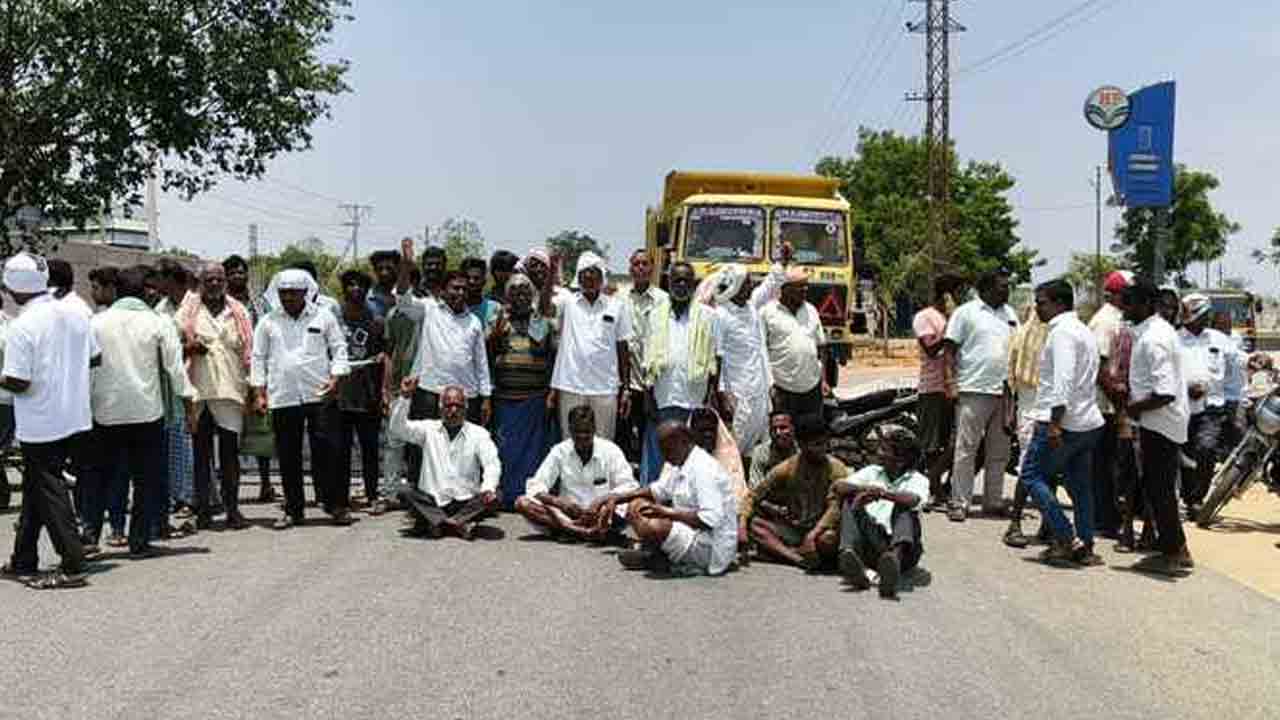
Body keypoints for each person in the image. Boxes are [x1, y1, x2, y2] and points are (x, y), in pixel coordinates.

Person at [83, 265, 195, 558]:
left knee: (99, 475)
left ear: (118, 290)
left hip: (103, 411)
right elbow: (175, 369)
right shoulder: (159, 323)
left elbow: (85, 367)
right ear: (147, 292)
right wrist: (189, 402)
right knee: (146, 479)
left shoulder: (96, 322)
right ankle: (139, 540)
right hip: (146, 412)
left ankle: (90, 535)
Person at [0, 253, 96, 589]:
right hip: (75, 414)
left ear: (12, 289)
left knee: (49, 488)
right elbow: (94, 356)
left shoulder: (22, 326)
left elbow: (18, 381)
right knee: (35, 487)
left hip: (41, 420)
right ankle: (24, 558)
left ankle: (73, 563)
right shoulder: (74, 313)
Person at [251, 268, 351, 529]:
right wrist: (259, 394)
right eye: (283, 294)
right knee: (288, 455)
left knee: (327, 450)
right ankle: (294, 510)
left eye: (294, 293)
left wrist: (336, 377)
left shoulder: (324, 316)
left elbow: (340, 349)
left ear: (306, 292)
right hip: (283, 396)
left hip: (319, 394)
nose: (288, 299)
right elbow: (258, 358)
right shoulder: (268, 322)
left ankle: (333, 505)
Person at [1016, 279, 1106, 565]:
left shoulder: (1063, 333)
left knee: (1031, 476)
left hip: (1062, 422)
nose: (1037, 308)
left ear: (1058, 303)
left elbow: (1063, 382)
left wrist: (1054, 424)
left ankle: (1068, 538)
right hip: (1087, 421)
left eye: (1041, 302)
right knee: (1080, 486)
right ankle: (1086, 543)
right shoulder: (1081, 329)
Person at [176, 262, 255, 531]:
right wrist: (189, 346)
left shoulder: (239, 311)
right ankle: (204, 513)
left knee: (230, 456)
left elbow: (250, 352)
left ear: (225, 282)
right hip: (198, 393)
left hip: (230, 392)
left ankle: (233, 510)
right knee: (201, 456)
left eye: (218, 279)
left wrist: (254, 391)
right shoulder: (188, 310)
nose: (214, 284)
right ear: (201, 282)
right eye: (208, 279)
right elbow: (172, 344)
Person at [604, 420, 738, 576]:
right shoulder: (681, 461)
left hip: (710, 545)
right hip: (691, 530)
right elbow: (657, 490)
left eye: (668, 450)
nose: (665, 457)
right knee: (636, 505)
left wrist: (665, 512)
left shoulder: (704, 469)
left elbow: (709, 520)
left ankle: (666, 559)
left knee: (655, 525)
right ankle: (657, 554)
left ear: (683, 442)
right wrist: (617, 499)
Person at [1124, 278, 1192, 576]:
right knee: (1158, 488)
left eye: (1131, 302)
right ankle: (1178, 547)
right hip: (1160, 422)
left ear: (1147, 305)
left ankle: (1173, 553)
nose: (1125, 308)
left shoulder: (1154, 338)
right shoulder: (1154, 332)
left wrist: (1133, 408)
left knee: (1160, 490)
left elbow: (1165, 392)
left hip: (1161, 424)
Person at [943, 269, 1018, 522]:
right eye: (1002, 286)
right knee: (966, 449)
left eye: (1008, 286)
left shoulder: (1010, 314)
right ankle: (959, 503)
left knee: (999, 452)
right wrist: (951, 383)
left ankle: (993, 501)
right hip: (973, 390)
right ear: (985, 289)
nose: (1006, 291)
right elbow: (950, 350)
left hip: (1005, 393)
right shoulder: (965, 313)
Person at [639, 261, 722, 485]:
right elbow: (647, 360)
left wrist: (713, 394)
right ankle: (651, 500)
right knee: (658, 453)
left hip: (694, 398)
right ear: (669, 283)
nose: (681, 285)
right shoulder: (654, 315)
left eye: (686, 280)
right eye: (677, 280)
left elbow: (717, 358)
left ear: (694, 285)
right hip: (662, 397)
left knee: (690, 457)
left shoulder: (709, 317)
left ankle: (684, 502)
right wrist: (648, 397)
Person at [389, 382, 501, 539]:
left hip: (465, 502)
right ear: (440, 408)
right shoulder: (428, 430)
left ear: (466, 408)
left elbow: (492, 463)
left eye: (458, 406)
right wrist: (405, 397)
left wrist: (488, 488)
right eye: (448, 406)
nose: (453, 410)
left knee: (496, 495)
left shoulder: (479, 434)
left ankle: (440, 523)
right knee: (404, 490)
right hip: (433, 501)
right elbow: (397, 429)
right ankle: (457, 524)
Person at [827, 427, 928, 599]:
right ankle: (849, 554)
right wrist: (865, 489)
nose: (879, 453)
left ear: (900, 459)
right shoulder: (872, 471)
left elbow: (914, 500)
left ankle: (893, 563)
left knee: (904, 508)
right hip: (873, 542)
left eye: (885, 450)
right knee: (849, 498)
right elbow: (838, 486)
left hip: (904, 550)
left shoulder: (917, 479)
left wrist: (884, 494)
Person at [396, 249, 492, 424]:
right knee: (426, 447)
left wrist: (486, 398)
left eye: (464, 289)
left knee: (462, 448)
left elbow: (481, 363)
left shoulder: (474, 322)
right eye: (455, 288)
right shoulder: (429, 309)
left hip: (465, 396)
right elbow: (402, 300)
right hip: (430, 391)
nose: (461, 293)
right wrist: (406, 266)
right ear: (443, 291)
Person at [515, 404, 637, 541]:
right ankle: (579, 531)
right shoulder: (559, 451)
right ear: (570, 430)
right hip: (569, 515)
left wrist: (604, 501)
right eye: (577, 432)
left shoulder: (610, 450)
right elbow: (536, 485)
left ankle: (573, 531)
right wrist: (561, 504)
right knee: (522, 503)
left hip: (603, 514)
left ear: (594, 429)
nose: (582, 436)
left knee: (633, 504)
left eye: (587, 432)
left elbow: (629, 486)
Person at [739, 414, 845, 569]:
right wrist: (741, 526)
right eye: (815, 445)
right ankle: (797, 558)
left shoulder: (836, 468)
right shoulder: (787, 468)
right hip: (794, 529)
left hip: (821, 529)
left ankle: (785, 553)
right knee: (755, 525)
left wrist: (812, 535)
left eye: (823, 444)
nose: (821, 449)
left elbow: (834, 508)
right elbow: (753, 496)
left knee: (827, 540)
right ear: (802, 445)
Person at [712, 251, 789, 463]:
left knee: (758, 449)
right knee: (733, 449)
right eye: (746, 284)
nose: (750, 288)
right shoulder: (721, 316)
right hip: (737, 395)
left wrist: (782, 261)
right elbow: (717, 359)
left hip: (759, 391)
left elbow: (769, 286)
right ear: (735, 287)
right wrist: (722, 394)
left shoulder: (751, 309)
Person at [490, 273, 558, 510]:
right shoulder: (499, 319)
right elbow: (489, 352)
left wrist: (552, 392)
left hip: (534, 399)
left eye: (525, 291)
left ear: (532, 295)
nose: (520, 295)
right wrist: (495, 334)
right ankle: (508, 497)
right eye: (515, 290)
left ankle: (527, 496)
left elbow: (552, 356)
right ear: (507, 295)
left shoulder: (542, 321)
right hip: (506, 399)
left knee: (533, 452)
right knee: (506, 450)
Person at [549, 251, 633, 442]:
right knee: (570, 443)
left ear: (602, 277)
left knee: (603, 444)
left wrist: (626, 389)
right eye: (584, 273)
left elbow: (623, 348)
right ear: (578, 278)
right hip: (571, 386)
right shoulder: (567, 303)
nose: (589, 277)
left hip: (605, 388)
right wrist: (551, 274)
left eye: (594, 272)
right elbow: (546, 309)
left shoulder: (616, 306)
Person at [1178, 293, 1238, 517]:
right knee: (1185, 456)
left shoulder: (1219, 340)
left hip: (1211, 408)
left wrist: (1232, 401)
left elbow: (1235, 368)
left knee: (1206, 449)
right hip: (1182, 408)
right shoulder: (1174, 340)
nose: (1205, 319)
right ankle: (1188, 497)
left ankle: (1198, 497)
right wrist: (1185, 389)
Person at [224, 253, 276, 504]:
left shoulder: (260, 303)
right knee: (230, 432)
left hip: (258, 373)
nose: (238, 276)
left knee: (261, 431)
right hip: (230, 373)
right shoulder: (221, 305)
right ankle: (230, 489)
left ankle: (266, 483)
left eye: (241, 271)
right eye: (232, 272)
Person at [913, 274, 965, 508]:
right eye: (958, 292)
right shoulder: (925, 317)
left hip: (955, 388)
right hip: (932, 388)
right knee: (933, 444)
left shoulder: (954, 317)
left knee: (955, 443)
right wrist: (950, 332)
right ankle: (934, 489)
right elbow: (931, 349)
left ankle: (941, 484)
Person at [1002, 304, 1052, 548]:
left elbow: (1008, 378)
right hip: (1037, 410)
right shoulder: (1050, 338)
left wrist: (1009, 413)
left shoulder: (1020, 336)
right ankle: (1015, 524)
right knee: (1031, 468)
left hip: (1030, 410)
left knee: (1034, 468)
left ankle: (1045, 524)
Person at [335, 270, 385, 512]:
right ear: (343, 289)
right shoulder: (333, 320)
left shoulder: (375, 322)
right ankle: (341, 499)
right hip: (340, 396)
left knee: (370, 449)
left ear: (367, 291)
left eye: (361, 285)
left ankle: (373, 495)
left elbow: (383, 358)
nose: (355, 288)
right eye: (350, 284)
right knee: (340, 451)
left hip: (367, 395)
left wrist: (381, 393)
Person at [1088, 270, 1131, 538]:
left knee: (1110, 463)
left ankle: (1107, 516)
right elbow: (1100, 367)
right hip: (1104, 405)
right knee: (1103, 465)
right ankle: (1103, 518)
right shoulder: (1105, 321)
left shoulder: (1119, 319)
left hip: (1112, 403)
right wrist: (1117, 400)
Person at [154, 260, 197, 520]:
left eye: (159, 277)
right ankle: (180, 496)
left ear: (172, 278)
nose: (155, 283)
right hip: (172, 381)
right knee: (178, 443)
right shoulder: (161, 308)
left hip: (197, 379)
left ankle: (194, 497)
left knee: (194, 443)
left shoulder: (195, 304)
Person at [382, 256, 425, 500]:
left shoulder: (429, 311)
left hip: (426, 384)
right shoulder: (393, 315)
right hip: (400, 384)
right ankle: (389, 493)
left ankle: (420, 492)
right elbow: (389, 352)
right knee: (394, 439)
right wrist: (386, 389)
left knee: (422, 441)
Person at [618, 250, 668, 461]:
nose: (640, 268)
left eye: (645, 264)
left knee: (652, 432)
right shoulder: (619, 298)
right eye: (636, 264)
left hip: (653, 382)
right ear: (630, 269)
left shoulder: (663, 299)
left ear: (652, 269)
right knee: (624, 432)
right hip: (626, 382)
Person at [761, 267, 830, 420]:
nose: (804, 291)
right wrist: (768, 385)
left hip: (811, 388)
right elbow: (761, 352)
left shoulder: (811, 310)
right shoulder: (767, 312)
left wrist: (823, 380)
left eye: (806, 287)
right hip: (782, 388)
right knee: (783, 433)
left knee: (812, 435)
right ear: (785, 289)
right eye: (799, 287)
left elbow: (821, 347)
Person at [748, 411, 798, 490]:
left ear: (793, 428)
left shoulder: (802, 452)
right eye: (774, 429)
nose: (778, 432)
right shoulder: (760, 452)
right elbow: (755, 487)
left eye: (783, 427)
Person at [461, 256, 504, 335]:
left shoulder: (495, 308)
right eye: (467, 278)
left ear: (484, 281)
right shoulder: (454, 309)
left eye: (476, 278)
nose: (471, 281)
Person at [367, 250, 401, 320]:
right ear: (375, 270)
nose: (384, 273)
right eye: (380, 268)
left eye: (389, 268)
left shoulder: (408, 296)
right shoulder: (368, 299)